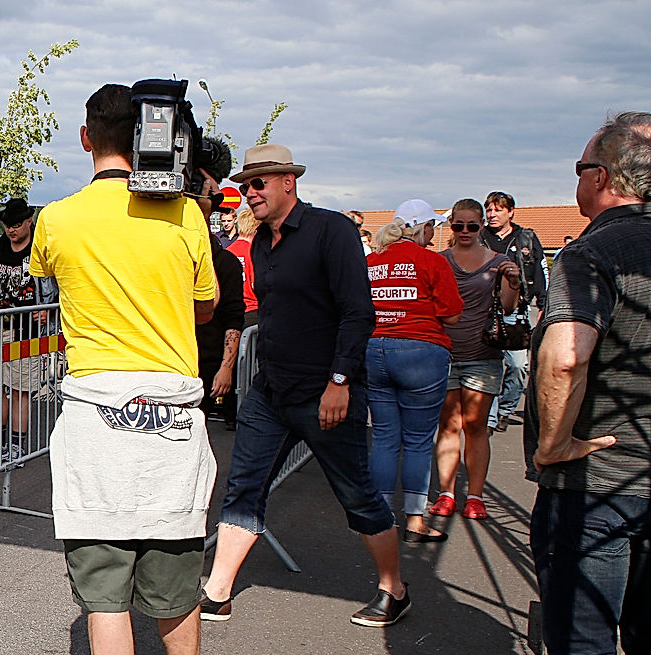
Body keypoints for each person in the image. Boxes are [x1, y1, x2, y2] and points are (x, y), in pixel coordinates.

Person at [30, 83, 219, 655]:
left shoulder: (58, 218)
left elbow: (46, 273)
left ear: (86, 138)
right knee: (176, 565)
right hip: (173, 414)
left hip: (95, 417)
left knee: (104, 584)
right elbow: (205, 310)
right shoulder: (186, 215)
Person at [202, 143, 410, 628]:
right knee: (243, 488)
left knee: (357, 494)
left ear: (287, 183)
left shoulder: (330, 230)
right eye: (245, 184)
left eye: (259, 183)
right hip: (271, 392)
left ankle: (393, 588)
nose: (249, 192)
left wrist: (340, 381)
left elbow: (358, 312)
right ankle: (218, 591)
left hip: (325, 395)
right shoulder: (259, 243)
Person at [524, 111, 651, 655]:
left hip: (597, 484)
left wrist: (553, 443)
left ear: (601, 176)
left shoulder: (593, 251)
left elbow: (567, 356)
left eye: (577, 168)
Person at [365, 200, 463, 543]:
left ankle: (379, 518)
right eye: (431, 228)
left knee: (384, 438)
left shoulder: (371, 262)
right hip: (421, 351)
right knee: (418, 442)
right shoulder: (432, 261)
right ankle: (415, 520)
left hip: (374, 349)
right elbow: (451, 315)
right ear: (422, 228)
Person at [430, 198, 520, 520]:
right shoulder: (439, 261)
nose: (465, 231)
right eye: (458, 225)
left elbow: (507, 308)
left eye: (471, 225)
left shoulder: (497, 260)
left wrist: (512, 281)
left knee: (476, 426)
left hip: (483, 354)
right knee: (449, 425)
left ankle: (476, 495)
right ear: (451, 225)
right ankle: (446, 492)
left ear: (482, 224)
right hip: (445, 353)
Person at [0, 197, 57, 463]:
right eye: (7, 224)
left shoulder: (40, 249)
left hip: (26, 330)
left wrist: (49, 308)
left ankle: (18, 445)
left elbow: (59, 285)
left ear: (29, 221)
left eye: (17, 224)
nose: (11, 229)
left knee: (20, 390)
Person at [483, 191, 546, 433]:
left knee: (518, 365)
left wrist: (543, 303)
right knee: (490, 364)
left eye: (498, 210)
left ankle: (505, 410)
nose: (492, 215)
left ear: (510, 212)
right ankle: (489, 417)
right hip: (485, 309)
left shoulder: (526, 238)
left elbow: (540, 273)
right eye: (489, 210)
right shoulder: (480, 238)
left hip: (516, 311)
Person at [197, 232, 244, 430]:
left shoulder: (225, 262)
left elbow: (233, 317)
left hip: (207, 360)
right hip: (173, 360)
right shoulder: (170, 259)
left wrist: (226, 368)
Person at [226, 208, 260, 327]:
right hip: (252, 311)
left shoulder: (227, 252)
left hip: (230, 313)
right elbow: (255, 285)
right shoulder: (255, 253)